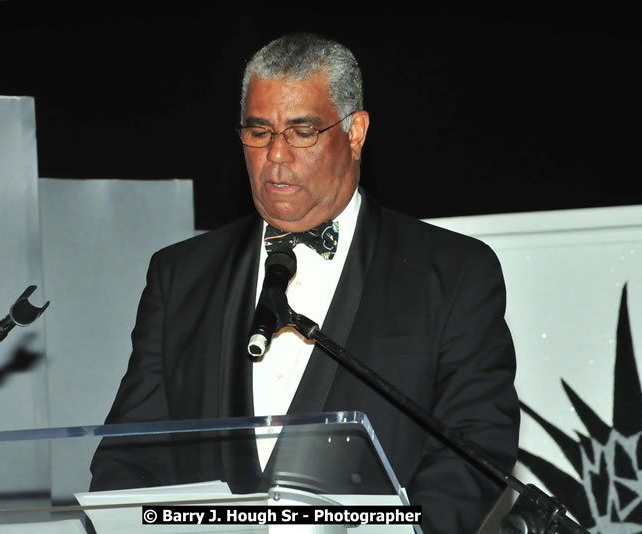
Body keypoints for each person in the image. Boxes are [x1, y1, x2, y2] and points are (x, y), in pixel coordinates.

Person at [90, 33, 519, 533]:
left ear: (355, 133)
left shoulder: (452, 271)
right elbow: (130, 455)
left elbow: (474, 446)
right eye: (258, 131)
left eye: (301, 132)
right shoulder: (180, 275)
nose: (275, 155)